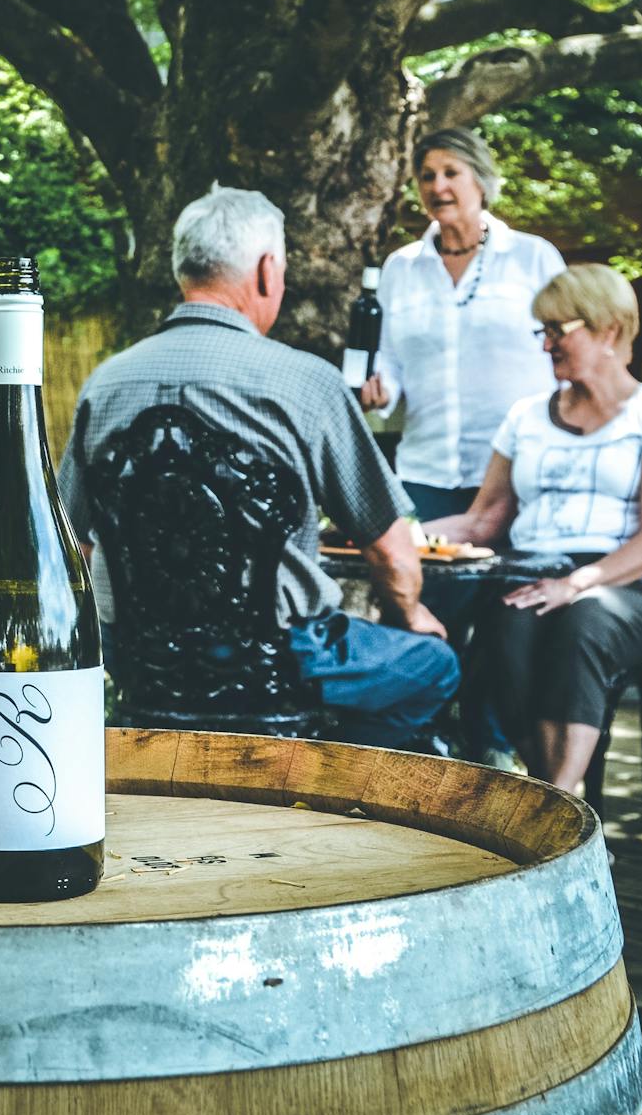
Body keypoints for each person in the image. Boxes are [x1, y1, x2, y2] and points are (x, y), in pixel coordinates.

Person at [57, 185, 459, 751]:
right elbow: (391, 554)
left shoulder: (105, 384)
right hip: (281, 663)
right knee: (433, 665)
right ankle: (335, 786)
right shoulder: (306, 383)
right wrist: (410, 614)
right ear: (268, 270)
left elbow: (69, 540)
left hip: (141, 662)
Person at [421, 265, 642, 793]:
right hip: (531, 572)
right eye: (542, 331)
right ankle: (558, 803)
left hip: (627, 583)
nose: (546, 344)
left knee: (583, 625)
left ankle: (556, 800)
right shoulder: (526, 417)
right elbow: (485, 519)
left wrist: (577, 583)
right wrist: (399, 533)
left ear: (608, 332)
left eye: (558, 330)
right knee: (508, 624)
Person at [361, 127, 564, 759]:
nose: (438, 186)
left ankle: (491, 754)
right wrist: (378, 390)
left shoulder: (533, 258)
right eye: (426, 175)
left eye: (451, 172)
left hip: (512, 477)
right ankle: (420, 751)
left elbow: (564, 352)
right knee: (421, 617)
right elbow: (388, 365)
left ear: (480, 179)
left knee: (503, 625)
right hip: (424, 471)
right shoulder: (401, 268)